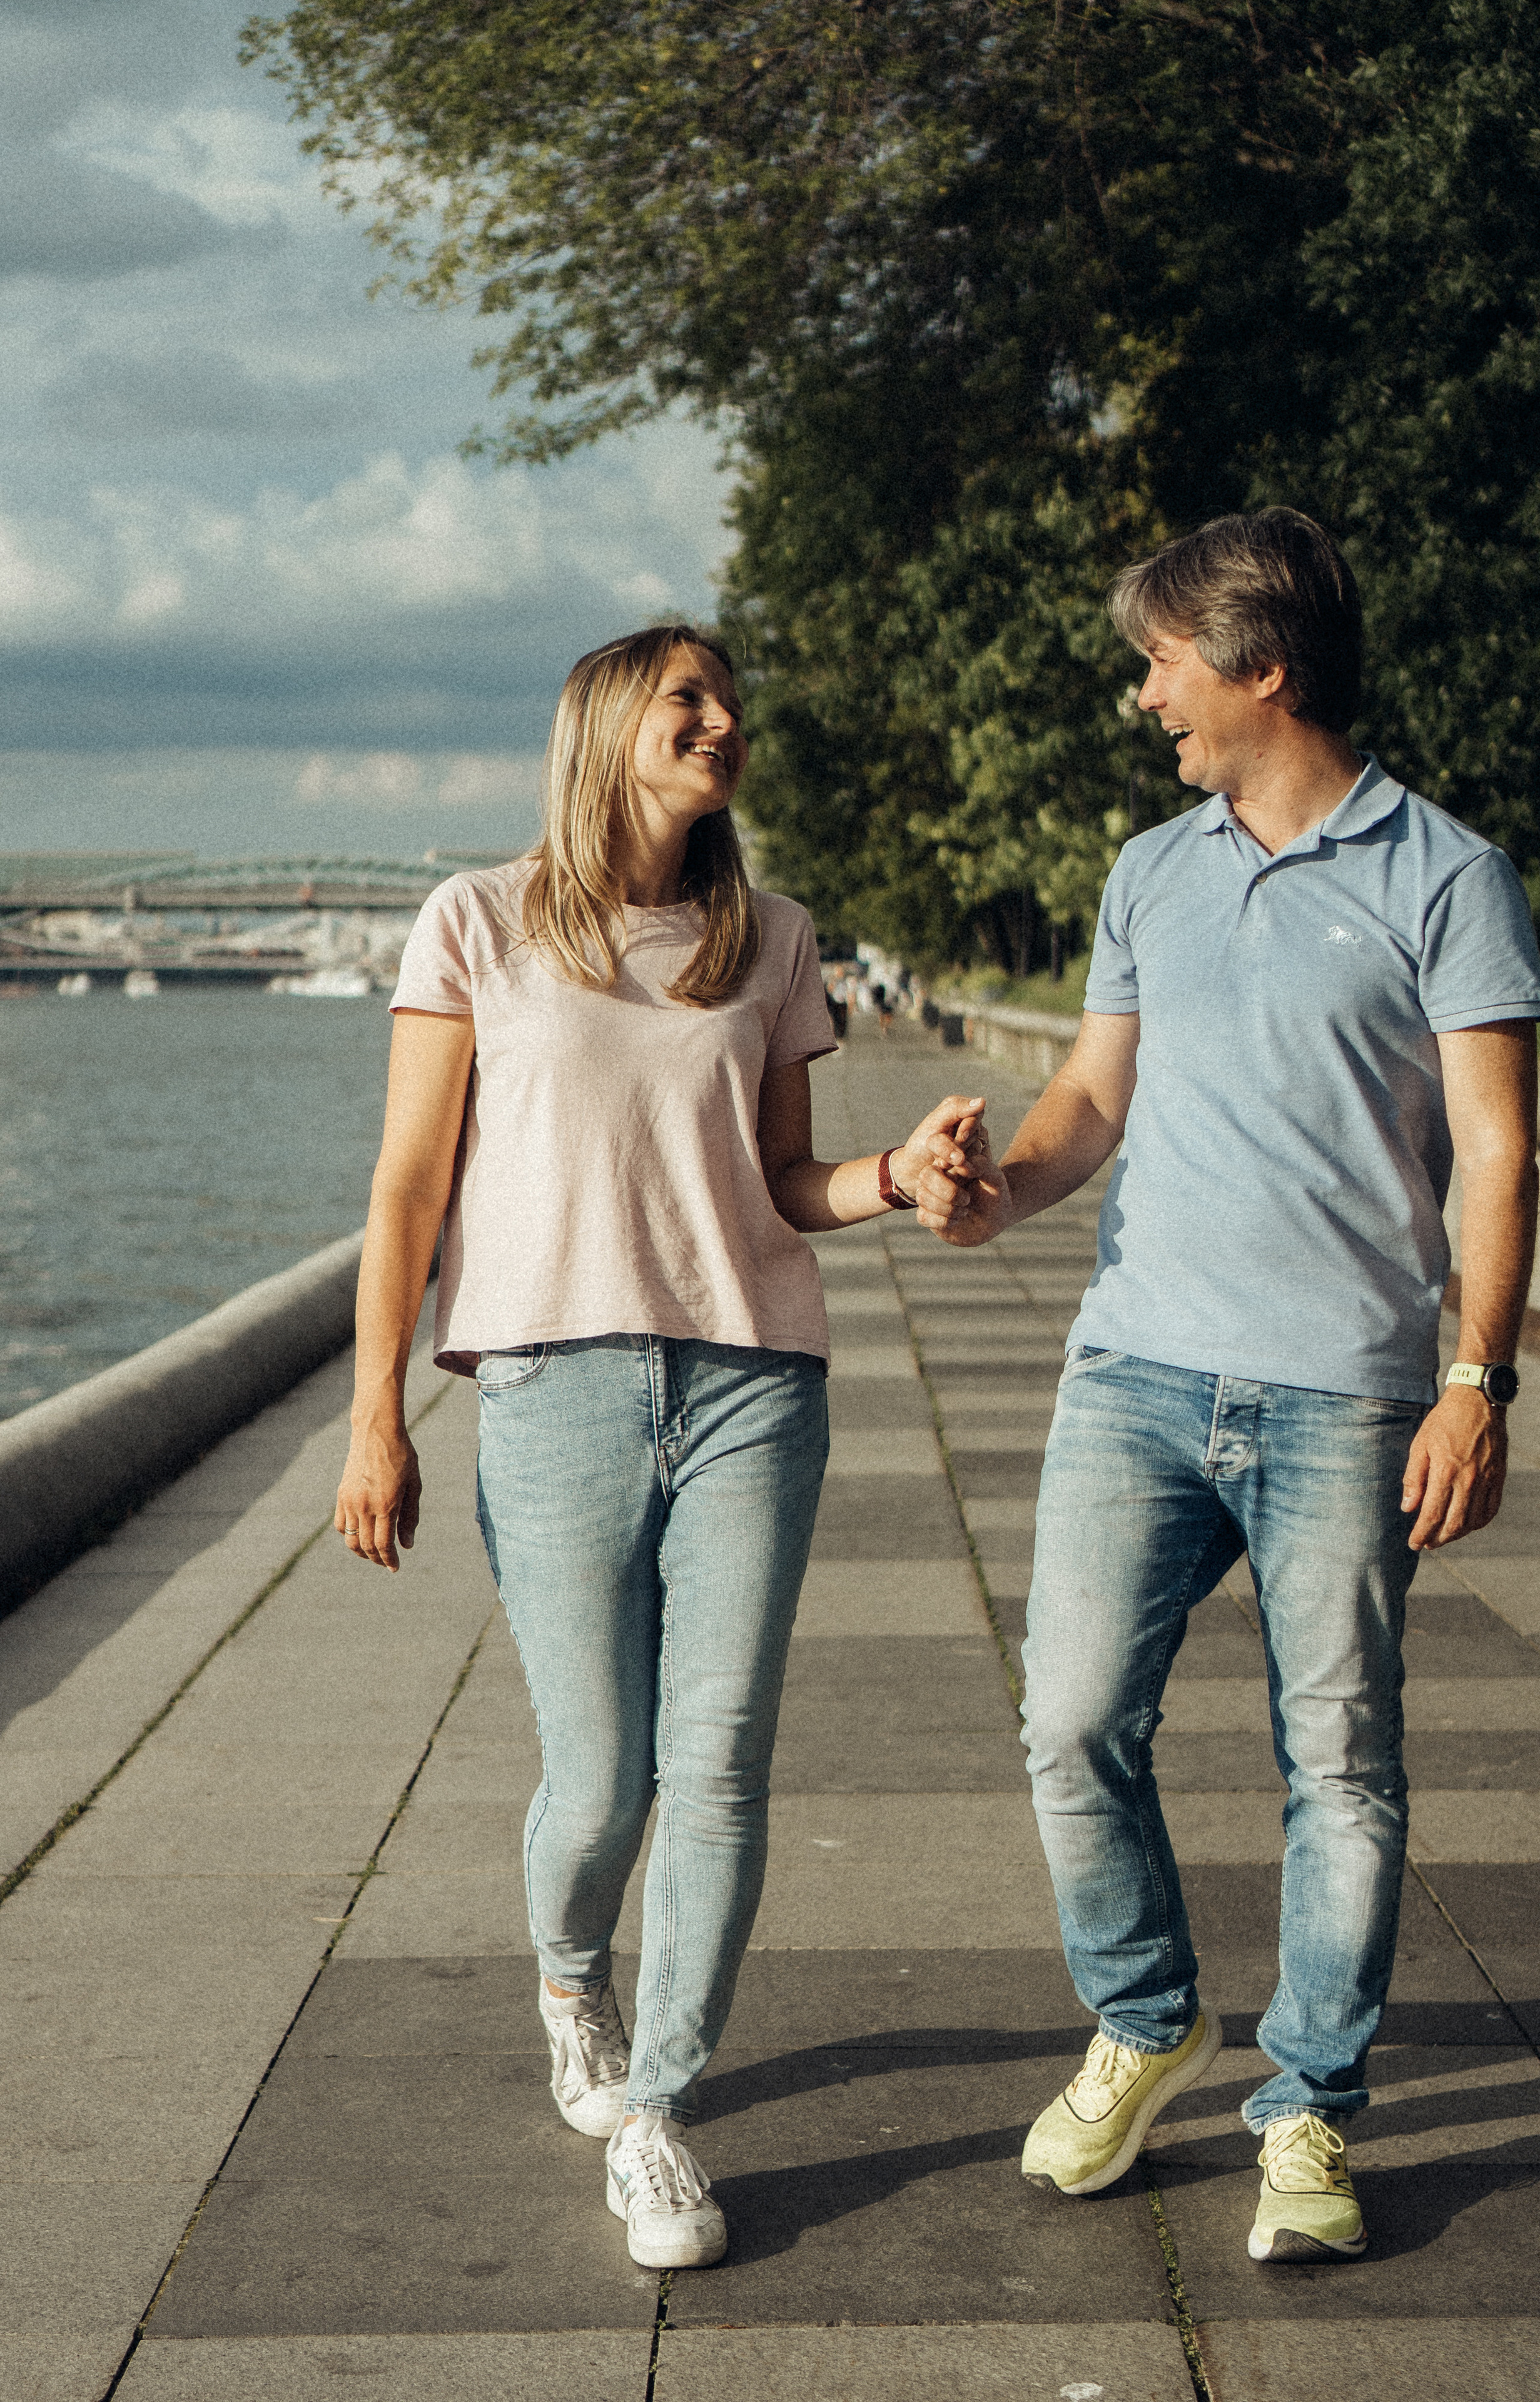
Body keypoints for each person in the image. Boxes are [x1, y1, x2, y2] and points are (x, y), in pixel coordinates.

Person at [916, 510, 1540, 2262]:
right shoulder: (1149, 871)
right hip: (1136, 1369)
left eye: (1163, 660)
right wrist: (995, 1193)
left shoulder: (1448, 875)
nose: (1145, 696)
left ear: (1261, 667)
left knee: (1338, 1759)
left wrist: (1478, 1381)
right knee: (1067, 1722)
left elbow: (1499, 1154)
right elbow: (1090, 1105)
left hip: (1346, 1392)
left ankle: (1311, 2106)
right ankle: (1144, 2019)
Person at [333, 623, 985, 2274]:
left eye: (729, 700)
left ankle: (659, 2113)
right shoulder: (478, 919)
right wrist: (375, 1420)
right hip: (551, 1387)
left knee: (720, 1763)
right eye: (687, 696)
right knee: (601, 1774)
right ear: (605, 722)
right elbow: (409, 1187)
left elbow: (784, 1181)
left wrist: (897, 1177)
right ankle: (573, 1980)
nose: (721, 720)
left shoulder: (772, 938)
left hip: (753, 1382)